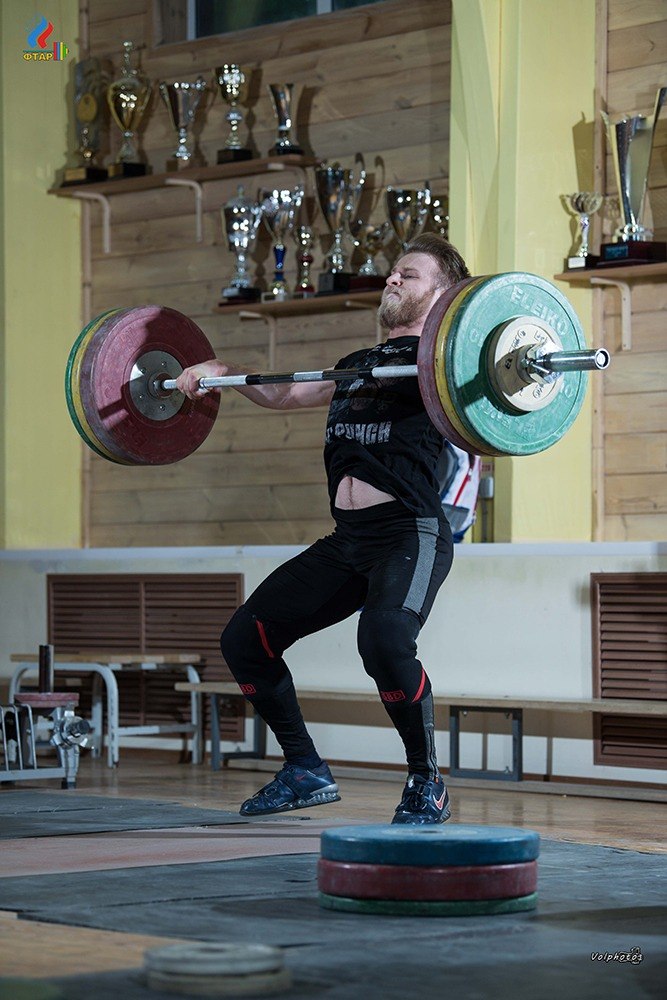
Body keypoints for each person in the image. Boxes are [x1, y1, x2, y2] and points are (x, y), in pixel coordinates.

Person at [176, 233, 471, 824]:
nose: (392, 278)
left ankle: (426, 782)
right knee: (246, 640)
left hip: (409, 533)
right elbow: (285, 393)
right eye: (393, 271)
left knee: (384, 640)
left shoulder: (445, 368)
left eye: (409, 274)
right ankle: (304, 768)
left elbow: (495, 395)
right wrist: (222, 371)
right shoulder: (357, 364)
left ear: (444, 295)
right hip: (348, 541)